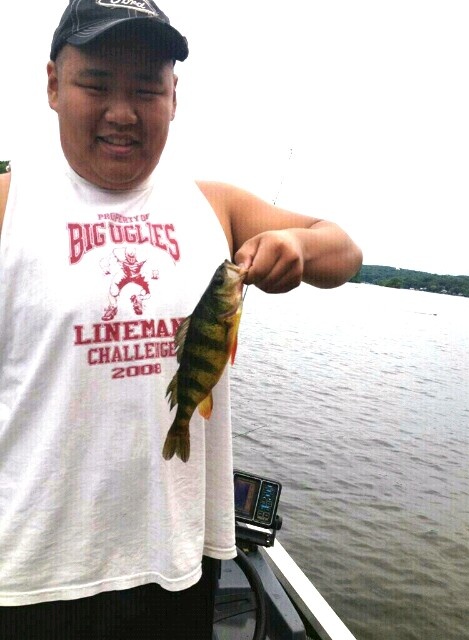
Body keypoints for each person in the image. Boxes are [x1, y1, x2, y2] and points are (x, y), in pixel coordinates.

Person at [0, 1, 362, 638]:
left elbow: (344, 250)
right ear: (53, 84)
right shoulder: (9, 204)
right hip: (34, 576)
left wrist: (300, 249)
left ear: (174, 96)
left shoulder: (212, 206)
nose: (123, 111)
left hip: (179, 564)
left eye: (147, 89)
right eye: (96, 84)